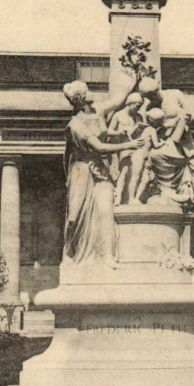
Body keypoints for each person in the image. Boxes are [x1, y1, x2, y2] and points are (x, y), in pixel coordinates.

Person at [62, 80, 144, 266]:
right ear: (81, 99)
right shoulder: (75, 125)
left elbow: (117, 100)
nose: (92, 92)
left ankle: (108, 256)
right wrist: (128, 144)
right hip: (82, 172)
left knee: (106, 211)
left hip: (100, 171)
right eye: (88, 91)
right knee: (74, 217)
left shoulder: (98, 111)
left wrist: (131, 79)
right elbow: (99, 147)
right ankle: (70, 252)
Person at [107, 92, 144, 204]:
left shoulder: (138, 116)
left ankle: (132, 198)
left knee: (137, 172)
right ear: (130, 103)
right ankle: (118, 197)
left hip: (136, 146)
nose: (138, 108)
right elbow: (108, 132)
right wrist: (120, 132)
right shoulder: (118, 115)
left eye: (140, 106)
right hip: (123, 147)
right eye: (137, 105)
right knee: (124, 171)